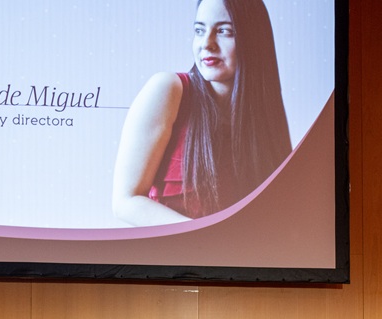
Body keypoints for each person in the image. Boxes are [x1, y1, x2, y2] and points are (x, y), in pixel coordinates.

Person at [111, 0, 291, 226]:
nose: (207, 44)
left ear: (253, 39)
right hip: (179, 248)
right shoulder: (168, 89)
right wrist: (206, 239)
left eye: (224, 31)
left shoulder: (264, 118)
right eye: (199, 30)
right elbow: (126, 202)